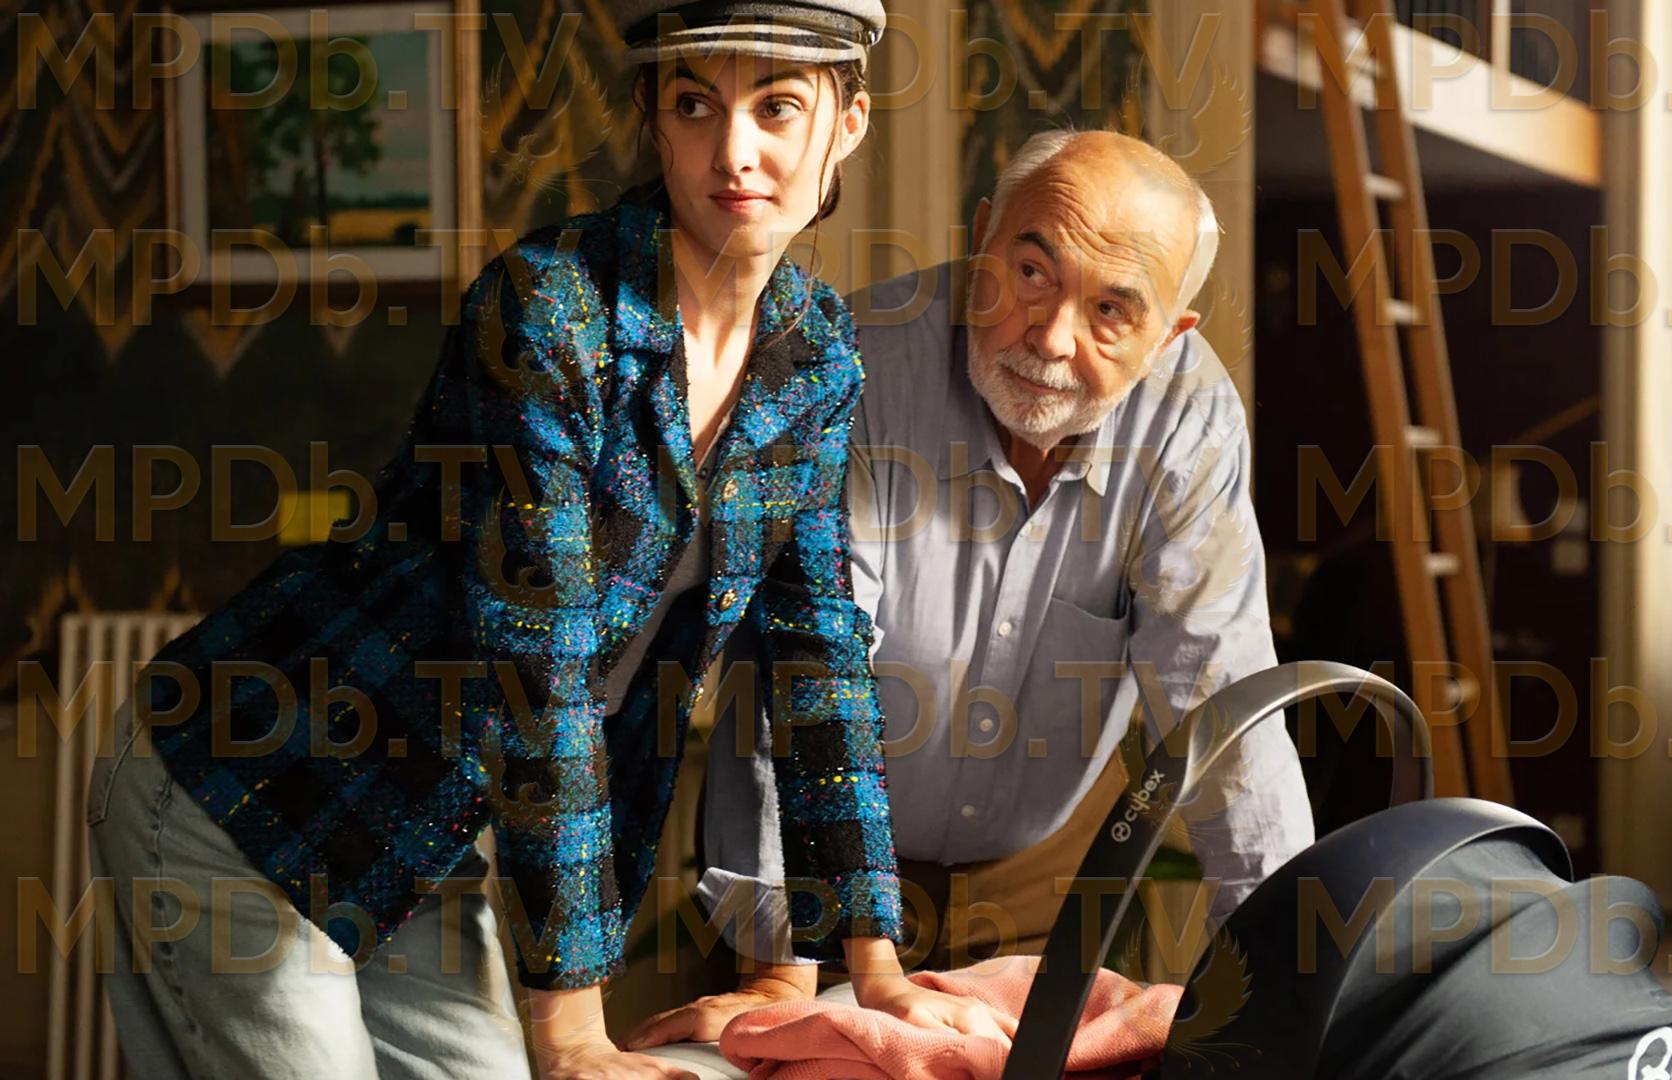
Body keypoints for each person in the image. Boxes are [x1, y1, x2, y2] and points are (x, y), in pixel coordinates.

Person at [86, 4, 1012, 1078]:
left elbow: (818, 655)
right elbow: (539, 669)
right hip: (244, 786)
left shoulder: (814, 352)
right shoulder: (550, 309)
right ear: (653, 118)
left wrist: (876, 964)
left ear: (847, 123)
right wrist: (572, 1034)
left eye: (777, 107)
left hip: (423, 831)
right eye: (694, 105)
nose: (733, 151)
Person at [626, 130, 1315, 1046]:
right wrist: (777, 969)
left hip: (1037, 884)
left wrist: (1289, 985)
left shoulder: (1187, 417)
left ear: (1167, 338)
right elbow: (803, 669)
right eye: (1030, 273)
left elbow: (1223, 706)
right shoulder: (852, 364)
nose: (1052, 338)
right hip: (820, 877)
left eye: (1112, 309)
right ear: (982, 233)